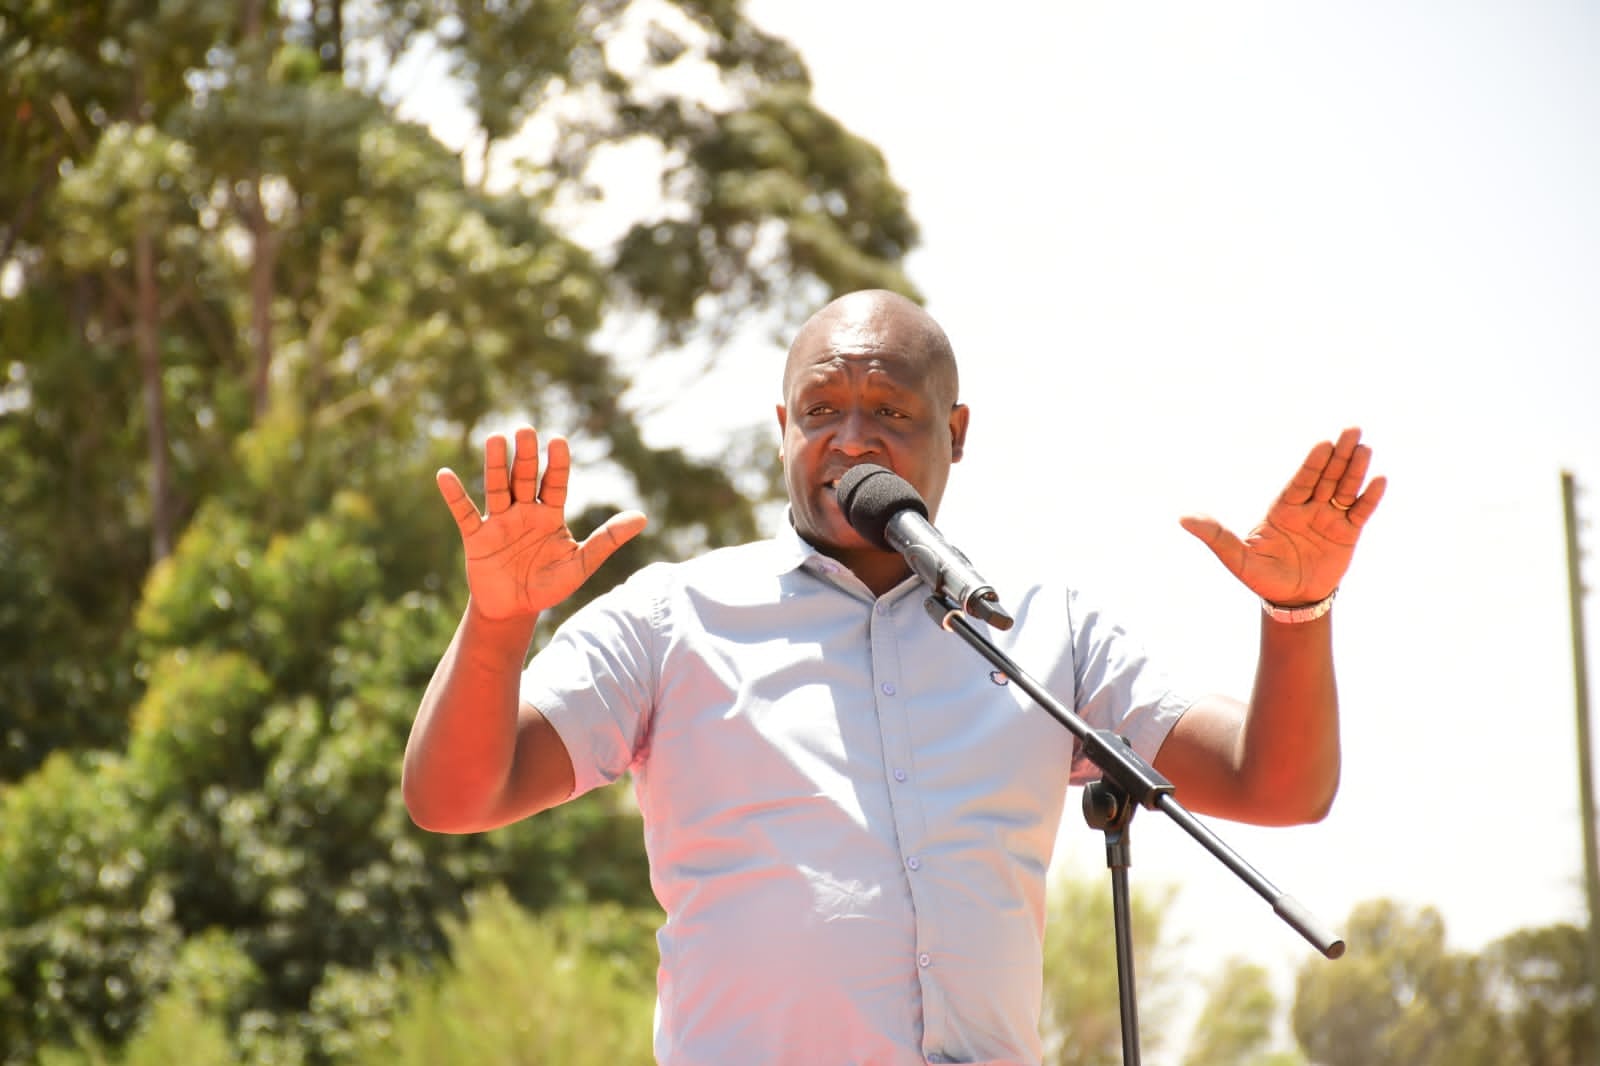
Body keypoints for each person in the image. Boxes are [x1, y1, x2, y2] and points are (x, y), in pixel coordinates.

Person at [403, 289, 1385, 1066]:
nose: (852, 438)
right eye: (821, 409)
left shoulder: (1041, 629)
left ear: (956, 430)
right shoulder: (673, 619)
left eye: (889, 411)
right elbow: (455, 796)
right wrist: (497, 623)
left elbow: (1277, 786)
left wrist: (1294, 615)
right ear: (781, 426)